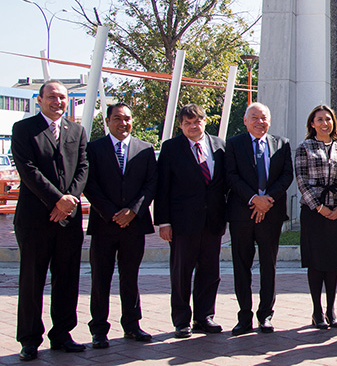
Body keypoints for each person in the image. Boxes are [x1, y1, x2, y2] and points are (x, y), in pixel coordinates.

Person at [11, 80, 89, 360]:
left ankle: (62, 334)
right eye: (52, 97)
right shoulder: (24, 129)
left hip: (68, 220)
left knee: (67, 278)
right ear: (39, 99)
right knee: (32, 279)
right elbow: (27, 170)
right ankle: (29, 339)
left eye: (63, 98)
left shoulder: (76, 130)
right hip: (35, 219)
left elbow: (83, 167)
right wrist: (57, 199)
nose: (58, 102)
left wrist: (69, 201)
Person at [84, 103, 157, 348]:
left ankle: (132, 325)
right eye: (117, 118)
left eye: (127, 118)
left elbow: (151, 184)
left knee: (130, 277)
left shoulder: (145, 149)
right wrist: (112, 213)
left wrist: (133, 211)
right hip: (105, 224)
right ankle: (99, 330)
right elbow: (89, 184)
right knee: (100, 279)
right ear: (107, 121)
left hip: (134, 225)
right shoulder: (93, 149)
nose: (123, 123)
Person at [155, 103, 228, 338]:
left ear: (205, 121)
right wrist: (163, 221)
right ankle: (181, 320)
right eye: (187, 122)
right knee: (181, 273)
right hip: (182, 223)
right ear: (181, 125)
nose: (193, 126)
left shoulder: (219, 145)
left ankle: (205, 316)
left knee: (210, 271)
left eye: (197, 121)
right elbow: (162, 187)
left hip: (213, 221)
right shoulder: (171, 148)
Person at [224, 102, 294, 335]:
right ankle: (244, 316)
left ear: (269, 121)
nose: (259, 121)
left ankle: (265, 315)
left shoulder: (281, 144)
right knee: (241, 265)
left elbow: (286, 176)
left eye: (263, 117)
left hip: (271, 214)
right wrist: (255, 199)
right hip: (242, 214)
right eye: (254, 117)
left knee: (269, 265)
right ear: (245, 121)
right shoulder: (233, 144)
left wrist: (267, 200)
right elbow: (231, 176)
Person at [295, 104, 337, 329]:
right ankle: (317, 311)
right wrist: (319, 208)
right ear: (312, 123)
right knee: (316, 263)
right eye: (319, 119)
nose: (324, 123)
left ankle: (331, 309)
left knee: (333, 263)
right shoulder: (305, 147)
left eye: (328, 119)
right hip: (314, 213)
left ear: (333, 123)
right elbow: (301, 180)